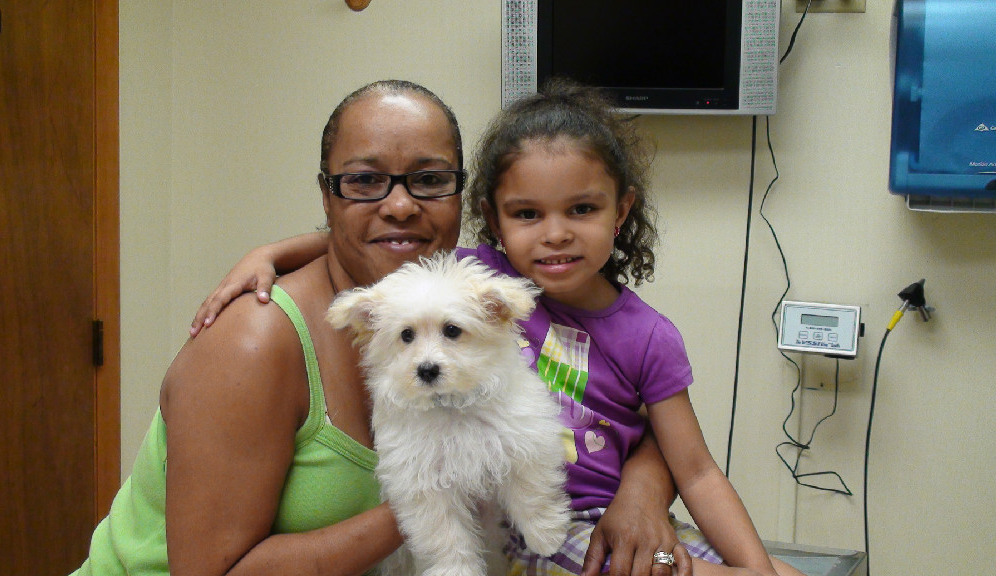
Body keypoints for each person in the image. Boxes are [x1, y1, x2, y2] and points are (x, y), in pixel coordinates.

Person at [71, 79, 692, 576]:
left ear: (463, 202)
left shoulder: (481, 294)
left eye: (428, 180)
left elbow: (628, 404)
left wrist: (639, 489)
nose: (399, 204)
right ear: (327, 195)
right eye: (365, 181)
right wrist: (434, 498)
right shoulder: (253, 342)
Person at [190, 80, 806, 576]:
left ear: (622, 210)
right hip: (535, 539)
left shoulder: (636, 332)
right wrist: (271, 254)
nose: (556, 233)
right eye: (528, 214)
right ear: (495, 220)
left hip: (589, 513)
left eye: (582, 209)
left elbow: (691, 464)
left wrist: (734, 554)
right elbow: (381, 252)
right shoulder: (470, 277)